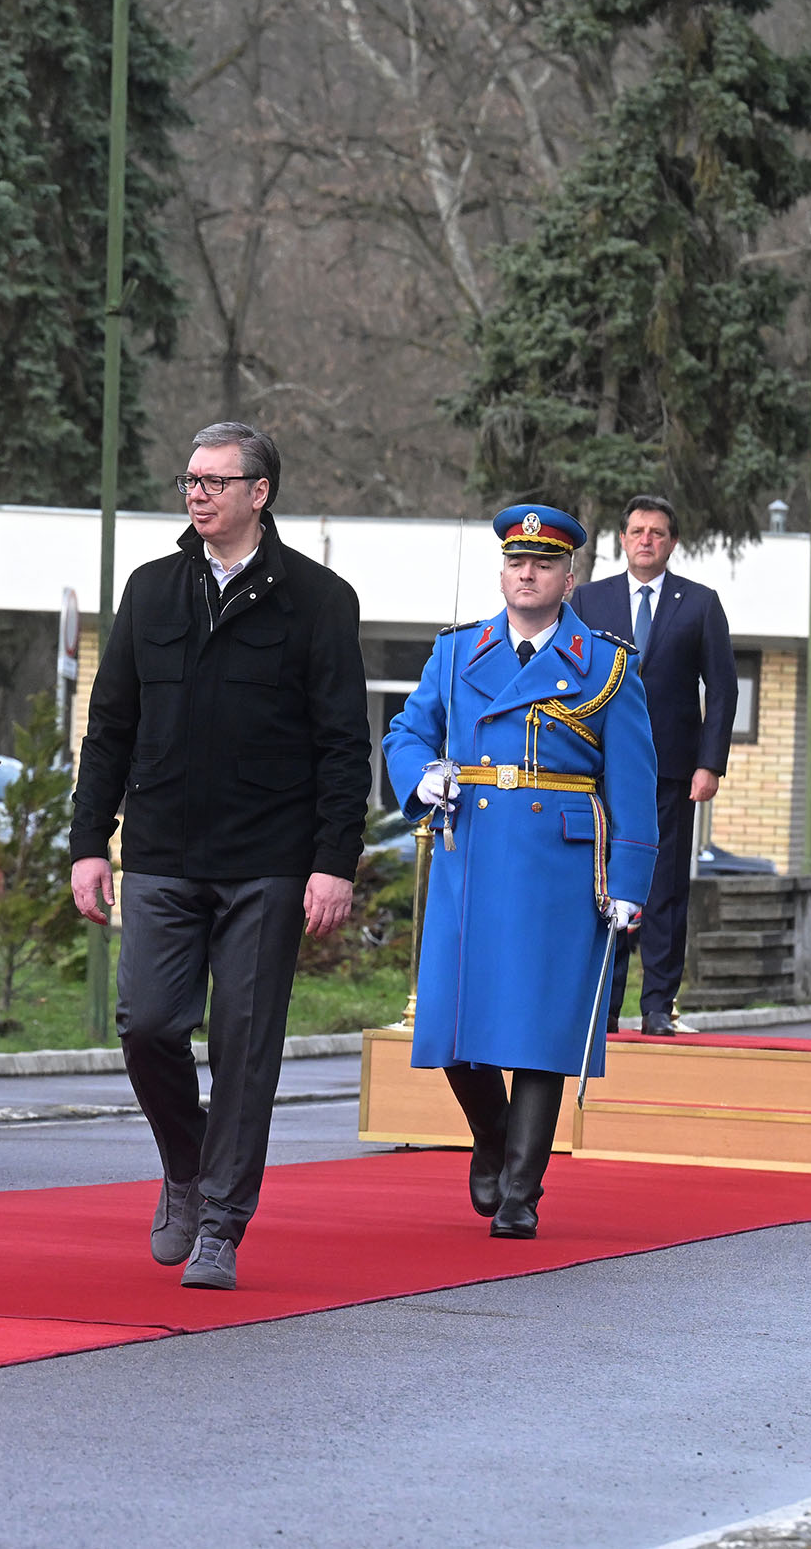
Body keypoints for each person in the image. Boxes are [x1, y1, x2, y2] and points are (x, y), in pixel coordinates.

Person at [68, 421, 369, 1291]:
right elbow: (110, 727)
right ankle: (187, 1165)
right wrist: (90, 843)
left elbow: (344, 744)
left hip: (268, 860)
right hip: (161, 850)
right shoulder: (152, 589)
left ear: (258, 492)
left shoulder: (318, 599)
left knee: (243, 1045)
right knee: (148, 1024)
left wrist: (334, 860)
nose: (196, 494)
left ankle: (222, 1225)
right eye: (189, 480)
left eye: (214, 481)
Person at [385, 504, 659, 1241]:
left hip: (559, 865)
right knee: (453, 1016)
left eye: (543, 563)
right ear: (502, 572)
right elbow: (406, 731)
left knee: (542, 1026)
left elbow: (634, 783)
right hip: (471, 848)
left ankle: (521, 1190)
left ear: (569, 578)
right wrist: (421, 773)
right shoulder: (456, 651)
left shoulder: (607, 663)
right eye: (516, 562)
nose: (527, 573)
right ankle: (493, 1135)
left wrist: (630, 882)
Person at [574, 495, 736, 1035]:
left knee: (665, 889)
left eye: (658, 532)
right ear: (623, 539)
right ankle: (603, 1005)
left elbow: (723, 688)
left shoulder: (700, 604)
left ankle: (658, 1007)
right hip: (599, 771)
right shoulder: (589, 600)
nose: (647, 540)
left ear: (672, 542)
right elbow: (570, 680)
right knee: (604, 886)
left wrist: (710, 764)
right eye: (638, 531)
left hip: (671, 772)